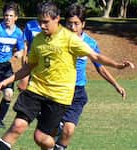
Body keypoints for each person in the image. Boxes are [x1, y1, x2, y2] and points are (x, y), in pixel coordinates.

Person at [0, 2, 134, 150]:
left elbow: (95, 57)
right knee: (17, 126)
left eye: (46, 22)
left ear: (57, 19)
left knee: (42, 137)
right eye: (40, 22)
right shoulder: (38, 39)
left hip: (60, 96)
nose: (41, 26)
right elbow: (29, 66)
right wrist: (8, 80)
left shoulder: (71, 39)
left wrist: (118, 66)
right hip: (36, 90)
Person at [52, 3, 127, 149]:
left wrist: (116, 85)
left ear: (83, 24)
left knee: (68, 130)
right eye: (69, 23)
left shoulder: (90, 43)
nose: (72, 27)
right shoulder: (56, 39)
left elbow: (100, 67)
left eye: (76, 23)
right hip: (57, 90)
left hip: (77, 92)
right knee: (49, 133)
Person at [17, 19, 41, 91]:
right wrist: (24, 58)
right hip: (31, 58)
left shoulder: (52, 25)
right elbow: (25, 43)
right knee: (22, 86)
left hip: (44, 59)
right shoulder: (30, 25)